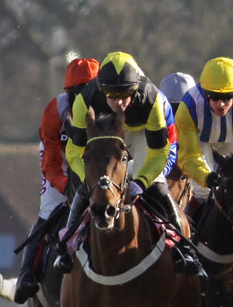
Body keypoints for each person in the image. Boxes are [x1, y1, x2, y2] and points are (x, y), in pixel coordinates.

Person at [54, 51, 202, 275]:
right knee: (88, 187)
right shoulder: (86, 100)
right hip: (108, 131)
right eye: (112, 96)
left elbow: (160, 153)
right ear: (101, 91)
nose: (120, 102)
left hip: (146, 135)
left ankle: (184, 248)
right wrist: (89, 178)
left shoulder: (152, 101)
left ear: (136, 89)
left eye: (125, 95)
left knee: (158, 186)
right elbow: (75, 150)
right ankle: (66, 247)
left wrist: (142, 182)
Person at [13, 57, 99, 304]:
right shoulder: (55, 110)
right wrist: (65, 186)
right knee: (50, 210)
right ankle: (26, 273)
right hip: (62, 161)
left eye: (89, 92)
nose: (83, 99)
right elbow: (50, 162)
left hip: (94, 162)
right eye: (77, 94)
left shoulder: (110, 106)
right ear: (68, 94)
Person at [172, 58, 233, 216]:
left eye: (227, 97)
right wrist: (206, 177)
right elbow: (189, 155)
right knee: (203, 191)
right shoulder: (189, 107)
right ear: (205, 93)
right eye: (214, 97)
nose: (220, 104)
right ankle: (189, 232)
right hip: (201, 141)